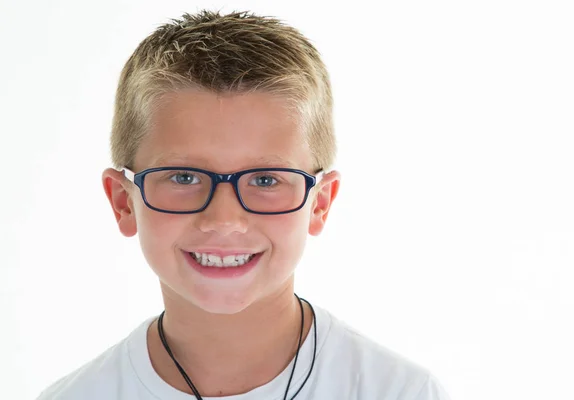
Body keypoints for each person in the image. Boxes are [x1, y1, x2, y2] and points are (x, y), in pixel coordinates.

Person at [37, 9, 451, 400]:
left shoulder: (396, 392)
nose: (224, 220)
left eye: (266, 180)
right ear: (122, 203)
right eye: (184, 177)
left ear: (320, 203)